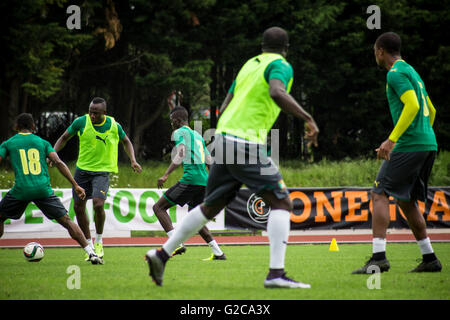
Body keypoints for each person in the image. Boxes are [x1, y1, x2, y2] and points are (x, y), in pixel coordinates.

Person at [145, 26, 319, 288]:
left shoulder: (249, 65)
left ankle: (161, 253)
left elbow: (225, 104)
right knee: (282, 204)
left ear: (261, 46)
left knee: (208, 208)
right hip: (245, 143)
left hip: (224, 140)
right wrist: (307, 118)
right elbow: (276, 92)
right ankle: (276, 274)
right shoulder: (281, 65)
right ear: (286, 48)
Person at [352, 32, 441, 274]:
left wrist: (392, 140)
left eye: (375, 52)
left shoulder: (395, 74)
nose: (375, 56)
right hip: (427, 143)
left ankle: (378, 258)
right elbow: (430, 109)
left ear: (381, 51)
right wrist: (423, 135)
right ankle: (430, 258)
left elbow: (412, 105)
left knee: (379, 192)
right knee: (405, 201)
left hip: (411, 144)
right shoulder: (411, 71)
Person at [0, 113, 103, 264]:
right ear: (33, 127)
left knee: (0, 217)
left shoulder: (8, 143)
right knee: (67, 221)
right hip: (43, 189)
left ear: (16, 127)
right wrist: (75, 185)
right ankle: (91, 252)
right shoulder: (42, 142)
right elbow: (58, 162)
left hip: (21, 190)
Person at [51, 97, 142, 261]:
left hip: (102, 172)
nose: (92, 115)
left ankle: (99, 240)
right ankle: (89, 245)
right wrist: (53, 154)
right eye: (90, 112)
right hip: (82, 171)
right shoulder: (81, 122)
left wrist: (133, 160)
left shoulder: (114, 125)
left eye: (96, 113)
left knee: (98, 204)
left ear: (104, 113)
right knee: (78, 208)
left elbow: (126, 141)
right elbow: (64, 137)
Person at [154, 106, 226, 260]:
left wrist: (165, 175)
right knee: (196, 218)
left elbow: (180, 153)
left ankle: (176, 244)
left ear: (177, 120)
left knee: (158, 207)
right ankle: (218, 253)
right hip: (204, 182)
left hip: (191, 179)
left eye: (171, 121)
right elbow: (209, 161)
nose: (171, 124)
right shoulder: (198, 136)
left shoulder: (179, 132)